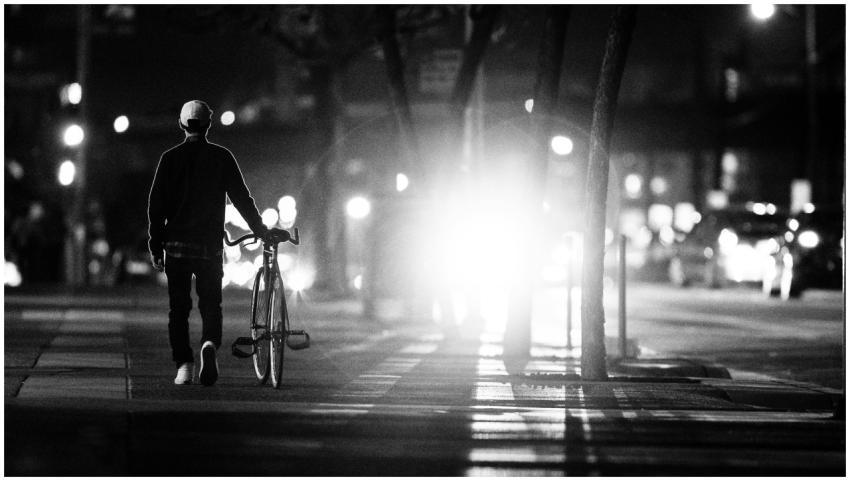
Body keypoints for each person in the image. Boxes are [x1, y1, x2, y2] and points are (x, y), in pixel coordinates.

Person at [148, 100, 268, 386]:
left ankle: (184, 366)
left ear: (182, 125)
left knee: (178, 309)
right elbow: (242, 198)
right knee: (211, 304)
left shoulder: (169, 158)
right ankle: (210, 344)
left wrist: (156, 244)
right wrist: (260, 229)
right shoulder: (222, 157)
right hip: (209, 248)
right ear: (208, 125)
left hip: (176, 247)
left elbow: (156, 206)